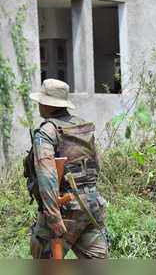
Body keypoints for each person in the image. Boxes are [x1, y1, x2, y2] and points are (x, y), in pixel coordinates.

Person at [28, 78, 108, 259]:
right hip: (92, 205)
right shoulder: (81, 126)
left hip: (64, 207)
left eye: (41, 101)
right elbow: (97, 165)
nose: (39, 105)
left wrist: (53, 216)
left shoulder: (47, 132)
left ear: (48, 104)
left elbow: (47, 177)